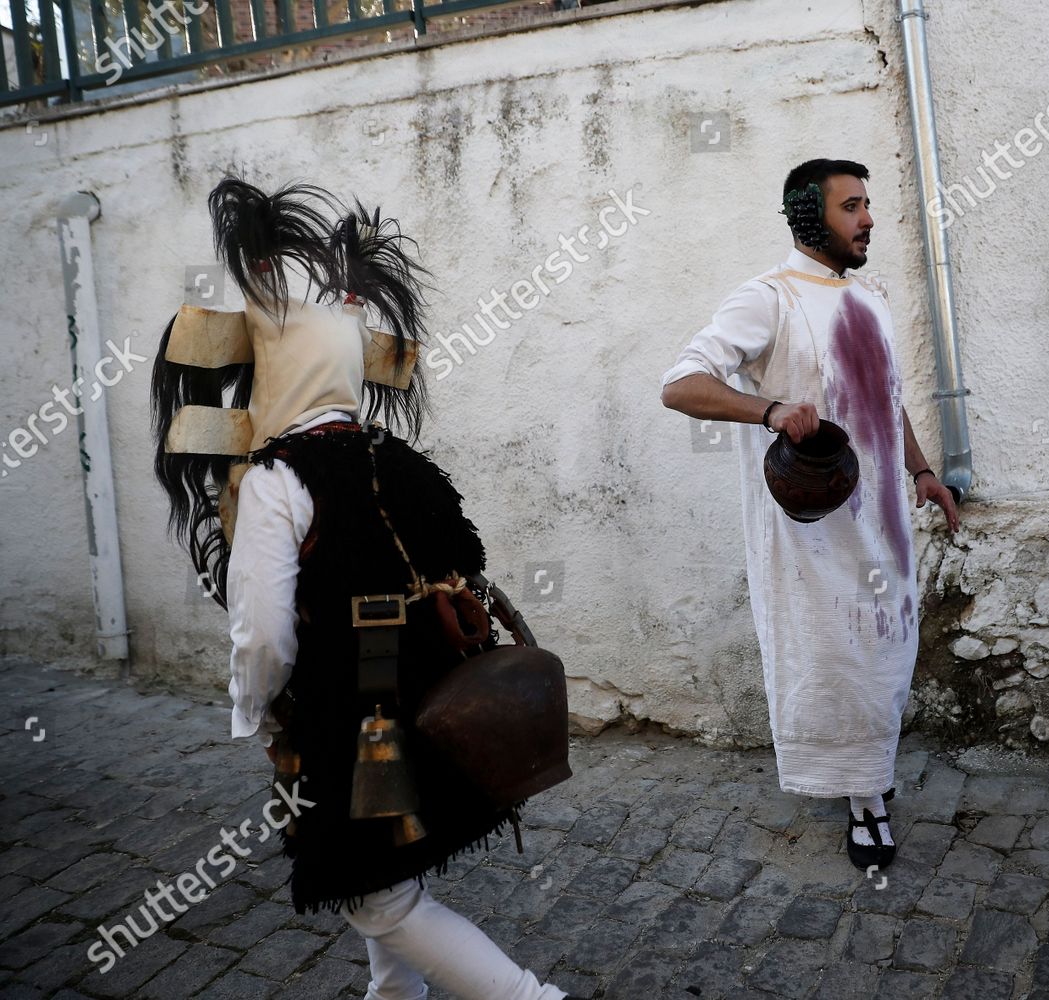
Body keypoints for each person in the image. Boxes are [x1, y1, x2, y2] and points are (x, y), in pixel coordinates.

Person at [152, 177, 571, 1000]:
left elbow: (266, 632)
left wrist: (253, 705)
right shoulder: (405, 461)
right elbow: (466, 568)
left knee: (379, 900)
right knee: (394, 876)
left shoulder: (275, 480)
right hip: (434, 708)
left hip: (351, 727)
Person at [660, 158, 960, 869]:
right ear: (809, 216)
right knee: (833, 651)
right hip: (810, 523)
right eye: (852, 206)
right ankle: (864, 803)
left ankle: (868, 777)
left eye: (867, 205)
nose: (868, 219)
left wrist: (920, 470)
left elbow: (884, 397)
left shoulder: (870, 294)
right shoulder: (767, 297)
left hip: (880, 514)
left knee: (885, 649)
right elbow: (680, 384)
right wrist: (768, 410)